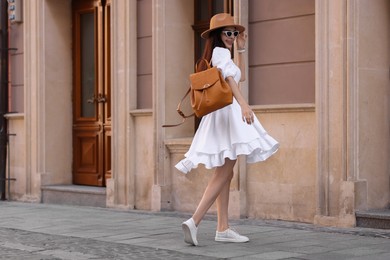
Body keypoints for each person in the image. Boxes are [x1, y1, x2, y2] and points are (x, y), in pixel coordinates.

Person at [176, 13, 279, 246]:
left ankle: (223, 228)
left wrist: (241, 50)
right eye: (227, 33)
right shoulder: (220, 53)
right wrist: (244, 104)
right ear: (217, 35)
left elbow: (239, 77)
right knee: (223, 172)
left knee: (227, 172)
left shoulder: (221, 55)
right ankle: (195, 220)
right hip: (229, 113)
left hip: (221, 115)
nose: (232, 37)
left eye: (234, 33)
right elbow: (233, 82)